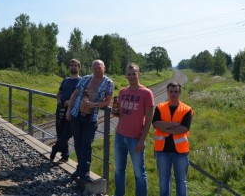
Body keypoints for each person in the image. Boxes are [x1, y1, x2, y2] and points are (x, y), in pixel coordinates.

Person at [66, 59, 114, 182]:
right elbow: (75, 94)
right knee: (77, 143)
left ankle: (85, 173)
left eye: (99, 67)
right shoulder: (86, 79)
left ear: (104, 68)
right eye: (94, 68)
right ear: (92, 69)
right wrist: (69, 109)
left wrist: (94, 104)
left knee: (86, 144)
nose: (97, 70)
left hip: (90, 119)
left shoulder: (108, 83)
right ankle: (80, 168)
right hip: (76, 114)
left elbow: (108, 101)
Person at [113, 63, 154, 196]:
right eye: (129, 74)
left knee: (139, 173)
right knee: (119, 169)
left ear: (139, 74)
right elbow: (120, 113)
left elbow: (149, 119)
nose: (131, 76)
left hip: (135, 138)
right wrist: (116, 112)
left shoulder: (146, 93)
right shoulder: (122, 92)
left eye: (134, 74)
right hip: (120, 135)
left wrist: (142, 140)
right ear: (126, 76)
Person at [152, 82, 193, 196]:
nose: (173, 94)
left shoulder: (186, 109)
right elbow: (155, 124)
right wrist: (173, 124)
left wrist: (165, 128)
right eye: (171, 91)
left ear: (180, 93)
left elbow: (184, 128)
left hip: (180, 152)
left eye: (176, 92)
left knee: (181, 181)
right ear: (167, 92)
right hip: (162, 151)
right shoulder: (160, 107)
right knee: (164, 180)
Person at [50, 59, 81, 163]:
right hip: (60, 109)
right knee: (60, 132)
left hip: (72, 111)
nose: (73, 66)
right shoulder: (65, 80)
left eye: (75, 65)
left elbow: (82, 96)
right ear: (69, 67)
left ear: (79, 67)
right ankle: (65, 156)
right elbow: (59, 92)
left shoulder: (81, 81)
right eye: (71, 65)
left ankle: (55, 148)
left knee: (67, 133)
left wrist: (71, 102)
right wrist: (59, 100)